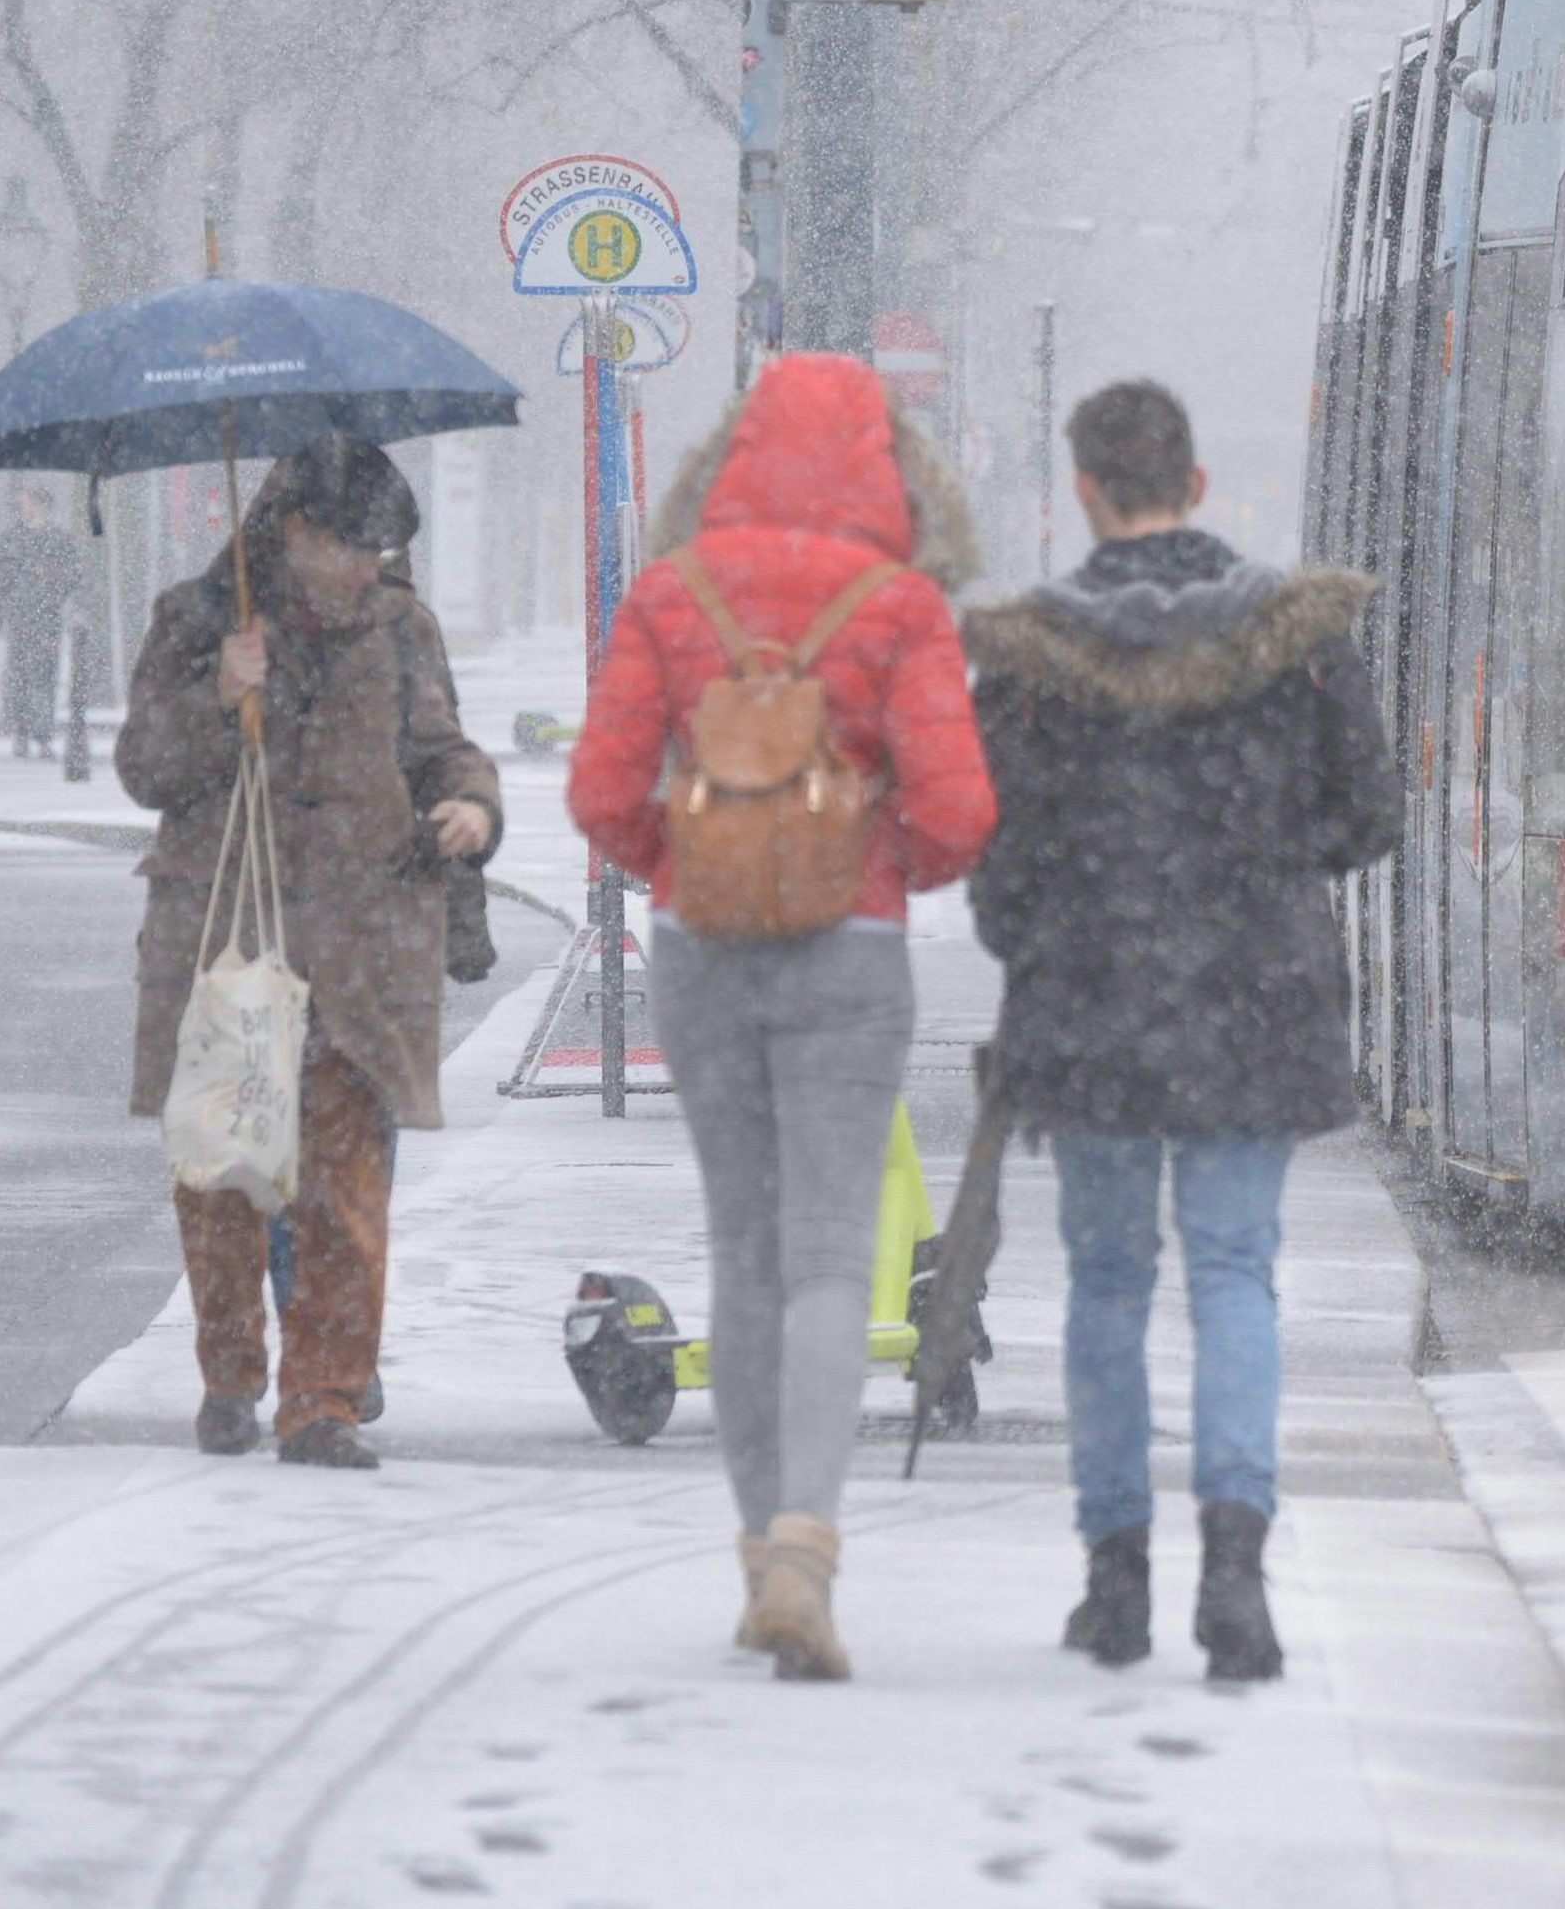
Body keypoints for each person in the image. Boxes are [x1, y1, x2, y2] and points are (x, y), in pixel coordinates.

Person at [963, 380, 1400, 1683]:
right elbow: (1369, 815)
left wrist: (1069, 929)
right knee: (1234, 1272)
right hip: (1250, 1000)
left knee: (1107, 1285)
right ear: (1197, 485)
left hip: (1092, 1007)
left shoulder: (1035, 660)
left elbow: (999, 867)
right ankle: (1236, 1571)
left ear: (1088, 490)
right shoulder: (1302, 639)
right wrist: (1260, 873)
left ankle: (1115, 1580)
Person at [567, 354, 993, 1682]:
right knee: (826, 1255)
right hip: (848, 956)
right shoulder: (901, 602)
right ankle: (808, 1546)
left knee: (739, 1253)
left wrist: (683, 864)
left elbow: (599, 791)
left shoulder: (670, 592)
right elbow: (960, 809)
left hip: (701, 952)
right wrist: (880, 866)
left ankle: (758, 1545)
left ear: (731, 458)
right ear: (888, 468)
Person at [117, 437, 500, 1469]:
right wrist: (218, 692)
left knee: (345, 1186)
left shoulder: (402, 628)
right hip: (228, 934)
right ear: (296, 532)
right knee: (224, 1176)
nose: (369, 564)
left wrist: (470, 801)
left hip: (362, 943)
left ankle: (323, 1399)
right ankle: (232, 1372)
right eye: (353, 544)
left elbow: (441, 748)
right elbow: (144, 767)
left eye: (382, 546)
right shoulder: (201, 621)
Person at [0, 486, 86, 758]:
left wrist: (52, 584)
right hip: (19, 618)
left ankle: (42, 733)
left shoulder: (59, 540)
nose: (26, 508)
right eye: (24, 503)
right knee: (18, 675)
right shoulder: (10, 539)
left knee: (44, 675)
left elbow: (73, 576)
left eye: (30, 503)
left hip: (47, 618)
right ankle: (20, 731)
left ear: (44, 506)